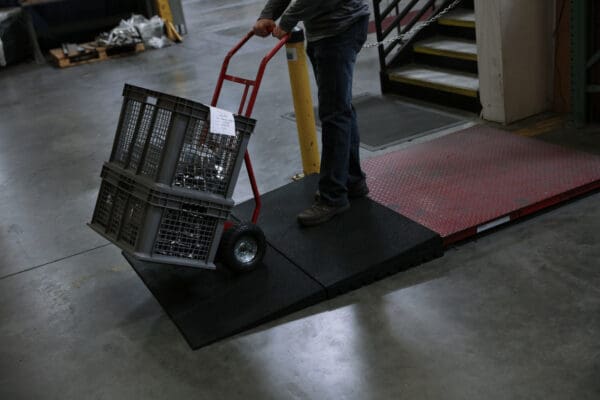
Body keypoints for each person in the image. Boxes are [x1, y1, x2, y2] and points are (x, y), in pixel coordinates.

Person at [253, 0, 370, 227]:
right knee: (339, 108)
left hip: (341, 27)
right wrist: (267, 15)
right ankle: (352, 179)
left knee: (334, 114)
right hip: (323, 29)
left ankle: (333, 196)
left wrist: (285, 22)